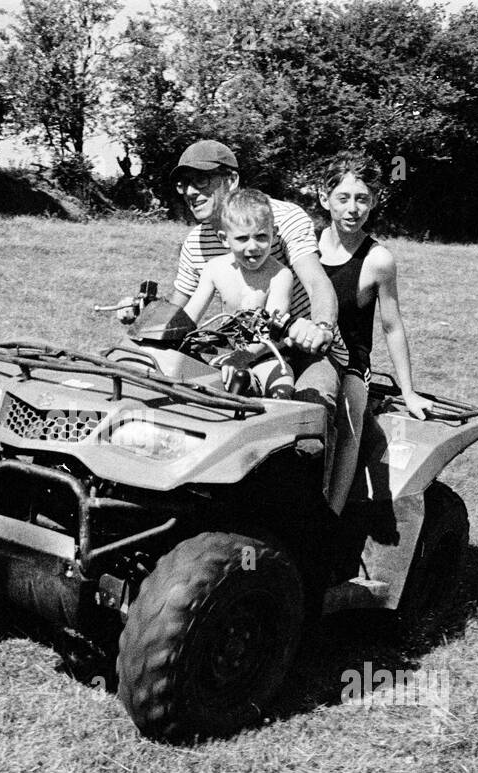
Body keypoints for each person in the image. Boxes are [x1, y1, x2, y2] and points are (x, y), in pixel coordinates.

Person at [166, 140, 344, 408]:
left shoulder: (283, 219)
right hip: (241, 349)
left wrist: (320, 330)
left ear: (232, 179)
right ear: (224, 239)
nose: (191, 191)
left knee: (308, 414)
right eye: (184, 183)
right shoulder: (196, 242)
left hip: (304, 348)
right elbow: (178, 312)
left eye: (201, 180)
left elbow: (316, 283)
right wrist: (144, 321)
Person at [317, 151, 433, 514]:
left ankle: (330, 518)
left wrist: (409, 392)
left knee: (348, 426)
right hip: (309, 353)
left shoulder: (378, 260)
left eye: (362, 199)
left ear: (374, 201)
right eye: (344, 198)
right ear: (324, 198)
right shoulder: (305, 245)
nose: (353, 208)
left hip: (351, 363)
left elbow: (391, 325)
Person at [182, 188, 296, 398]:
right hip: (227, 352)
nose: (253, 247)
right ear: (224, 239)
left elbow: (272, 333)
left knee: (282, 389)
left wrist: (241, 358)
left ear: (275, 233)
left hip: (267, 356)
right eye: (242, 239)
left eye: (261, 237)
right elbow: (190, 315)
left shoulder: (280, 275)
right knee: (186, 382)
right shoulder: (214, 268)